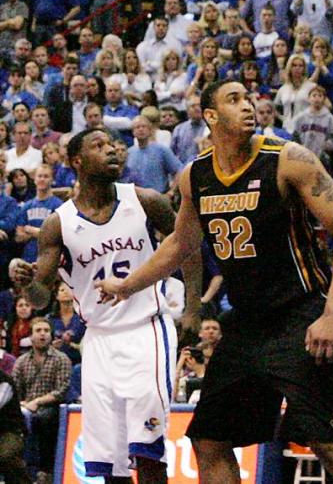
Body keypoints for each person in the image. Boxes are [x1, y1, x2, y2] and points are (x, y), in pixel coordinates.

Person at [94, 80, 333, 484]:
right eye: (235, 100)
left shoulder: (288, 159)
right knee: (209, 439)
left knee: (326, 438)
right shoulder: (195, 177)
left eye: (249, 97)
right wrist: (127, 285)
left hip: (303, 313)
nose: (248, 105)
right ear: (210, 116)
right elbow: (181, 242)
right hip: (246, 323)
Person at [10, 128, 197, 484]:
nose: (113, 150)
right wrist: (24, 283)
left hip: (147, 330)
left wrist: (193, 308)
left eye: (114, 144)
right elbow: (41, 296)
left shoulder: (144, 199)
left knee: (147, 450)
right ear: (76, 161)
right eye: (100, 146)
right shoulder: (58, 224)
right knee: (109, 460)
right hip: (97, 339)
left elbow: (187, 244)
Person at [10, 319, 70, 482]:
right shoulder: (21, 361)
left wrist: (37, 402)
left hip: (52, 406)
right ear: (31, 336)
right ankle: (16, 470)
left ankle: (44, 470)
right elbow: (13, 388)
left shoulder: (61, 358)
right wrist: (21, 403)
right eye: (38, 330)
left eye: (46, 330)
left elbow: (61, 390)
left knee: (45, 418)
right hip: (25, 406)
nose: (43, 333)